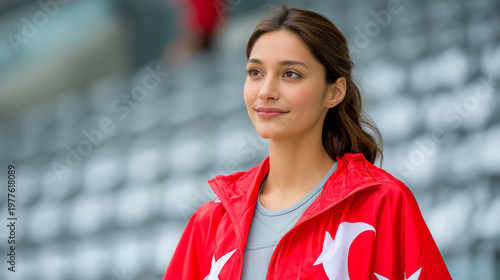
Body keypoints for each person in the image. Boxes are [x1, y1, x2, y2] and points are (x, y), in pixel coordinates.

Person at [163, 5, 452, 280]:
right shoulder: (211, 221)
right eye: (255, 72)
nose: (266, 91)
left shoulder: (383, 204)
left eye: (290, 74)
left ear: (334, 93)